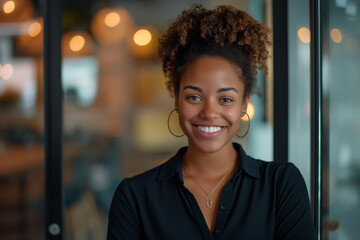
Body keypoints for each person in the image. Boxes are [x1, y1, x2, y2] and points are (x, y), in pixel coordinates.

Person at [107, 4, 316, 240]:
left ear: (244, 104)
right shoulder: (134, 197)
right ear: (176, 98)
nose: (209, 112)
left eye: (225, 99)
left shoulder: (281, 186)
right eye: (194, 97)